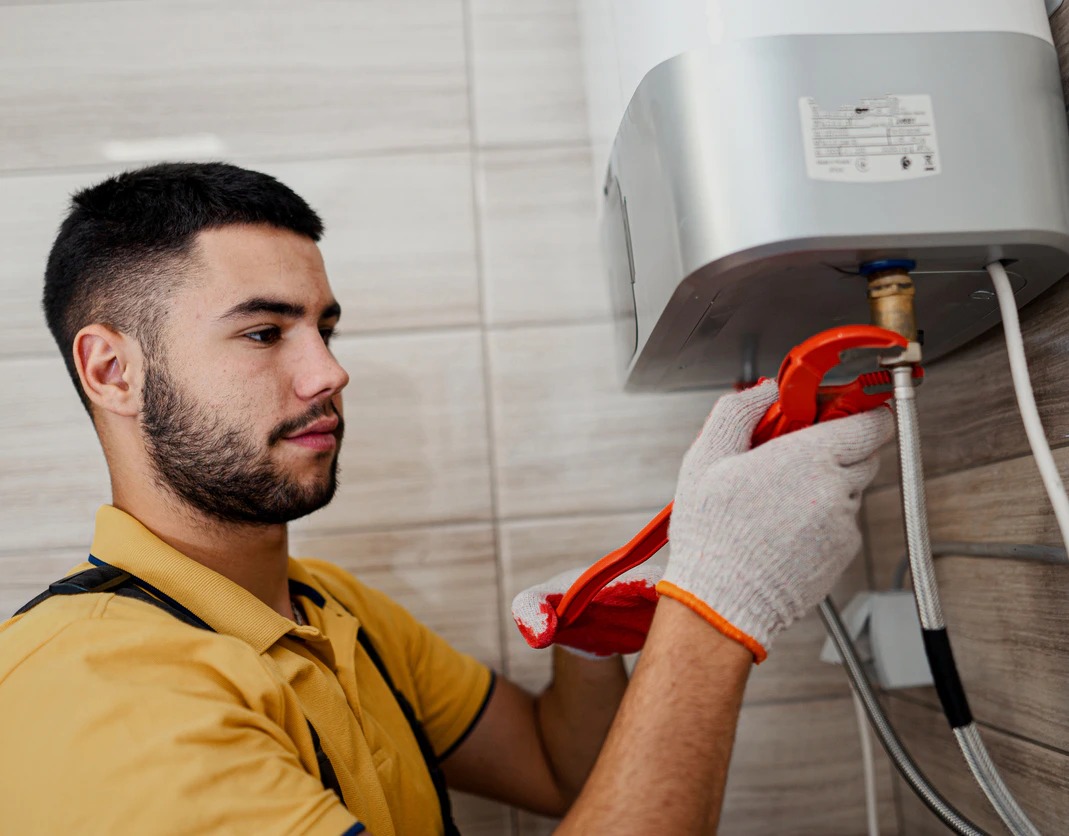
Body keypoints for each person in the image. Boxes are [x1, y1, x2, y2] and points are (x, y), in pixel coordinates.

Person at [0, 162, 892, 835]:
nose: (330, 372)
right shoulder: (97, 694)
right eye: (265, 332)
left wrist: (595, 629)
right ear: (112, 370)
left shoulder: (329, 609)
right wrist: (716, 608)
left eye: (326, 328)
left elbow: (559, 770)